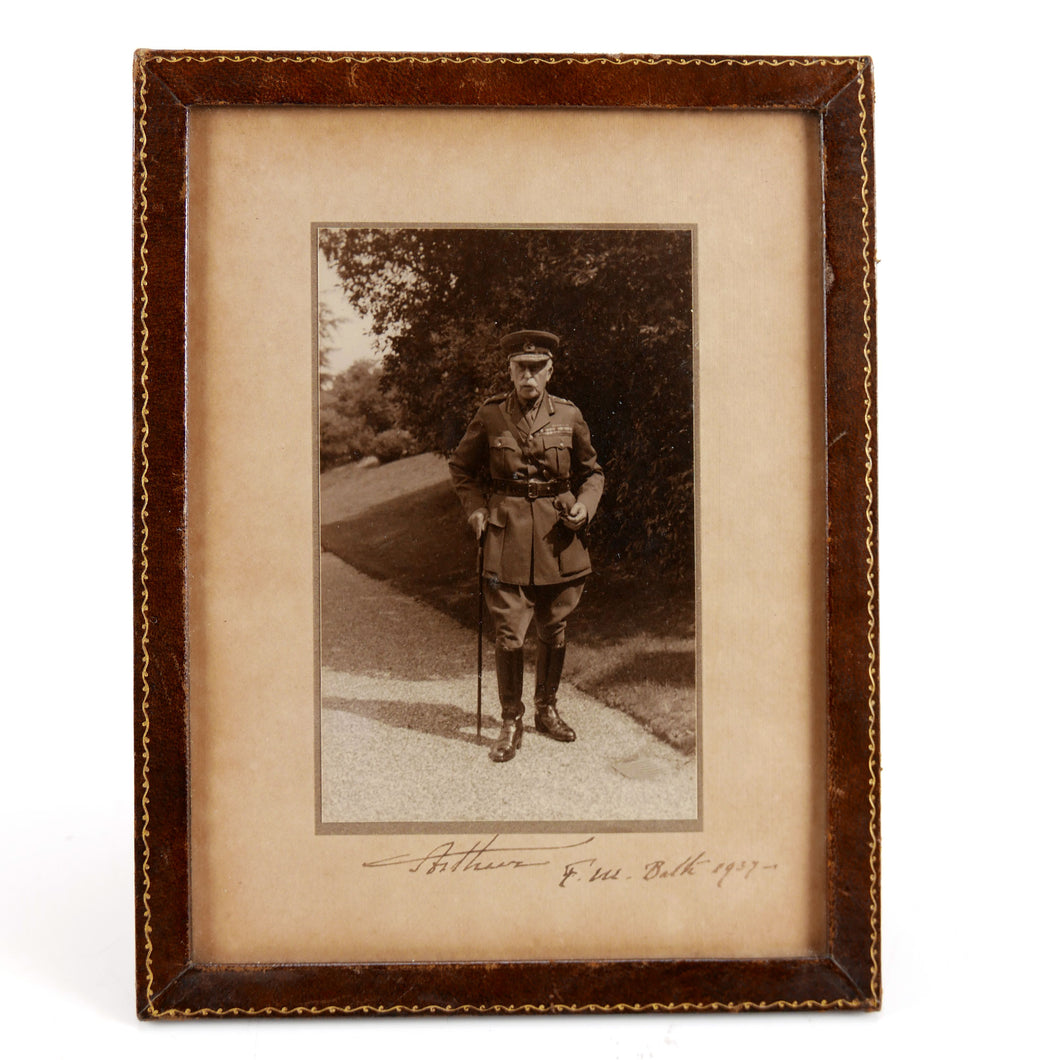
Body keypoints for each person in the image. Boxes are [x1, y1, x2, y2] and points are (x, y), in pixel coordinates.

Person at [448, 330, 604, 762]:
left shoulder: (569, 416)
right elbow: (461, 467)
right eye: (521, 367)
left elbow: (593, 473)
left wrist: (586, 508)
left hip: (558, 537)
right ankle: (511, 719)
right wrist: (476, 509)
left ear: (550, 371)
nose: (528, 374)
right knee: (509, 633)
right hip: (505, 534)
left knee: (554, 626)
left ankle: (546, 709)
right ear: (511, 371)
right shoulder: (491, 415)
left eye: (537, 367)